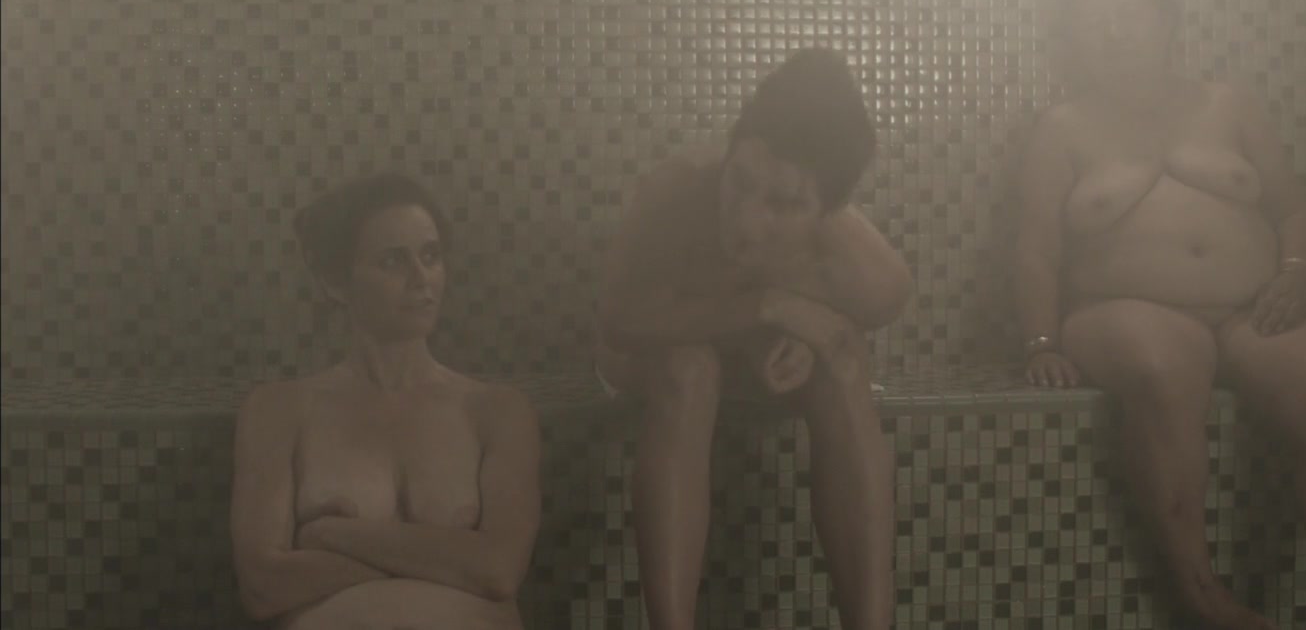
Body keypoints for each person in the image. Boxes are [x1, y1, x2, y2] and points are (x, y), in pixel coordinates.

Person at [1012, 0, 1306, 630]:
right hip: (1121, 310)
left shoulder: (1229, 105)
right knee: (1166, 363)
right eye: (1093, 21)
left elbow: (1293, 207)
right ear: (1073, 39)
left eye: (1126, 15)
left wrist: (1295, 272)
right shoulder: (1061, 129)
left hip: (1249, 309)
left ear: (1167, 21)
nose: (1113, 32)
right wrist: (1041, 341)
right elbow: (1036, 248)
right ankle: (1205, 600)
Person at [595, 48, 912, 630]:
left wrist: (806, 339)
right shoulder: (676, 190)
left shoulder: (867, 273)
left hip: (754, 363)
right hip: (663, 352)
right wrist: (767, 307)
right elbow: (618, 321)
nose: (745, 219)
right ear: (731, 150)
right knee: (689, 369)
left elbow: (844, 327)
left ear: (827, 210)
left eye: (784, 204)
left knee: (843, 363)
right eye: (740, 181)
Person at [230, 175, 542, 630]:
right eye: (393, 261)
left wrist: (332, 534)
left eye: (430, 256)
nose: (420, 278)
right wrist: (447, 561)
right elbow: (263, 587)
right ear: (335, 282)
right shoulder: (280, 411)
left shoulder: (495, 412)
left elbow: (497, 570)